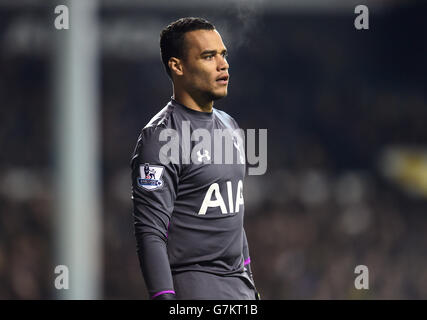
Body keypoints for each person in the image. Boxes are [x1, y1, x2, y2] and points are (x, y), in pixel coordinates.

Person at [131, 17, 259, 300]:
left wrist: (250, 284)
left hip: (240, 290)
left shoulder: (230, 125)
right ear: (177, 66)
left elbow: (234, 218)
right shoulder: (161, 138)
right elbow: (150, 233)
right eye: (208, 56)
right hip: (195, 290)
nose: (223, 64)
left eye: (223, 54)